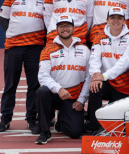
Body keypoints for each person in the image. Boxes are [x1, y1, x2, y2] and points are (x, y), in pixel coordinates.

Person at [0, 0, 46, 133]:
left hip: (36, 48)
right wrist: (14, 35)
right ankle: (5, 118)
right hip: (14, 48)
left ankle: (31, 118)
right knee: (10, 84)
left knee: (34, 84)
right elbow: (3, 20)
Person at [34, 14, 90, 144]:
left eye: (68, 26)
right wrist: (59, 89)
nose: (65, 28)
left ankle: (62, 120)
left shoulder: (84, 49)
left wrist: (81, 101)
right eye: (62, 26)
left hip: (72, 98)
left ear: (73, 28)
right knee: (41, 91)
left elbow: (89, 77)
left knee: (75, 132)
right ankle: (45, 132)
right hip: (53, 95)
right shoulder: (48, 50)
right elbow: (43, 76)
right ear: (57, 29)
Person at [86, 7, 129, 132]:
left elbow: (124, 62)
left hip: (123, 85)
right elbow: (94, 58)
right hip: (106, 82)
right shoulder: (99, 36)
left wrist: (103, 76)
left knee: (118, 124)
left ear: (124, 21)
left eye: (119, 18)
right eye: (113, 18)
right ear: (107, 20)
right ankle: (94, 127)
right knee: (94, 87)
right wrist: (96, 75)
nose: (116, 21)